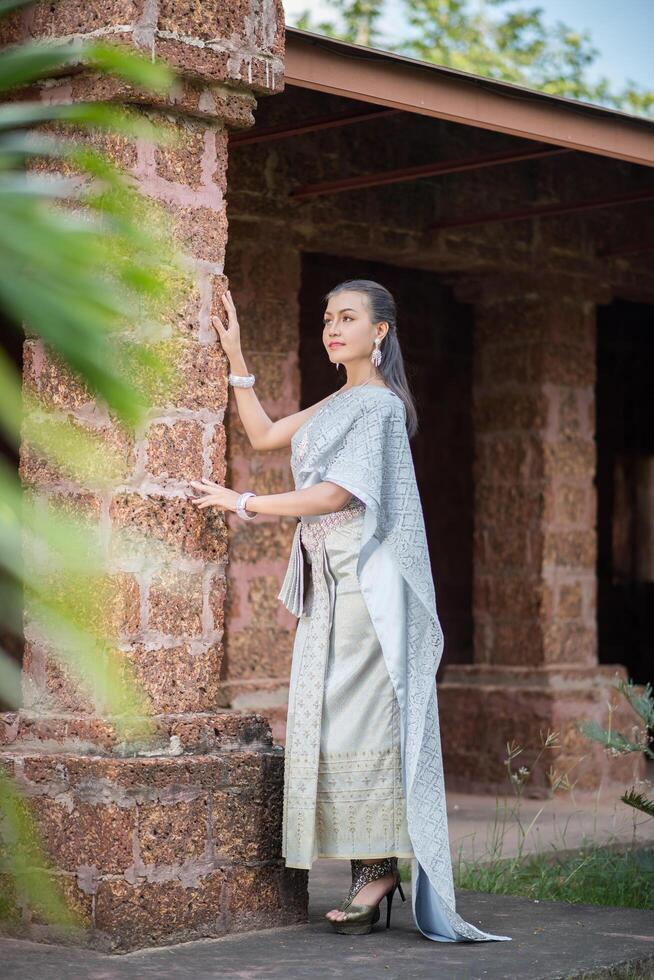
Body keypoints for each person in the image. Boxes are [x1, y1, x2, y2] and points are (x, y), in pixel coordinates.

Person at [190, 280, 511, 944]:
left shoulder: (382, 408)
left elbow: (336, 495)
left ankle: (377, 872)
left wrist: (243, 504)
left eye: (348, 317)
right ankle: (373, 867)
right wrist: (235, 351)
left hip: (367, 589)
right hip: (327, 590)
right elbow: (265, 432)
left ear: (381, 331)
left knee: (362, 724)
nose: (333, 328)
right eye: (328, 318)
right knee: (328, 726)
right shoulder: (340, 401)